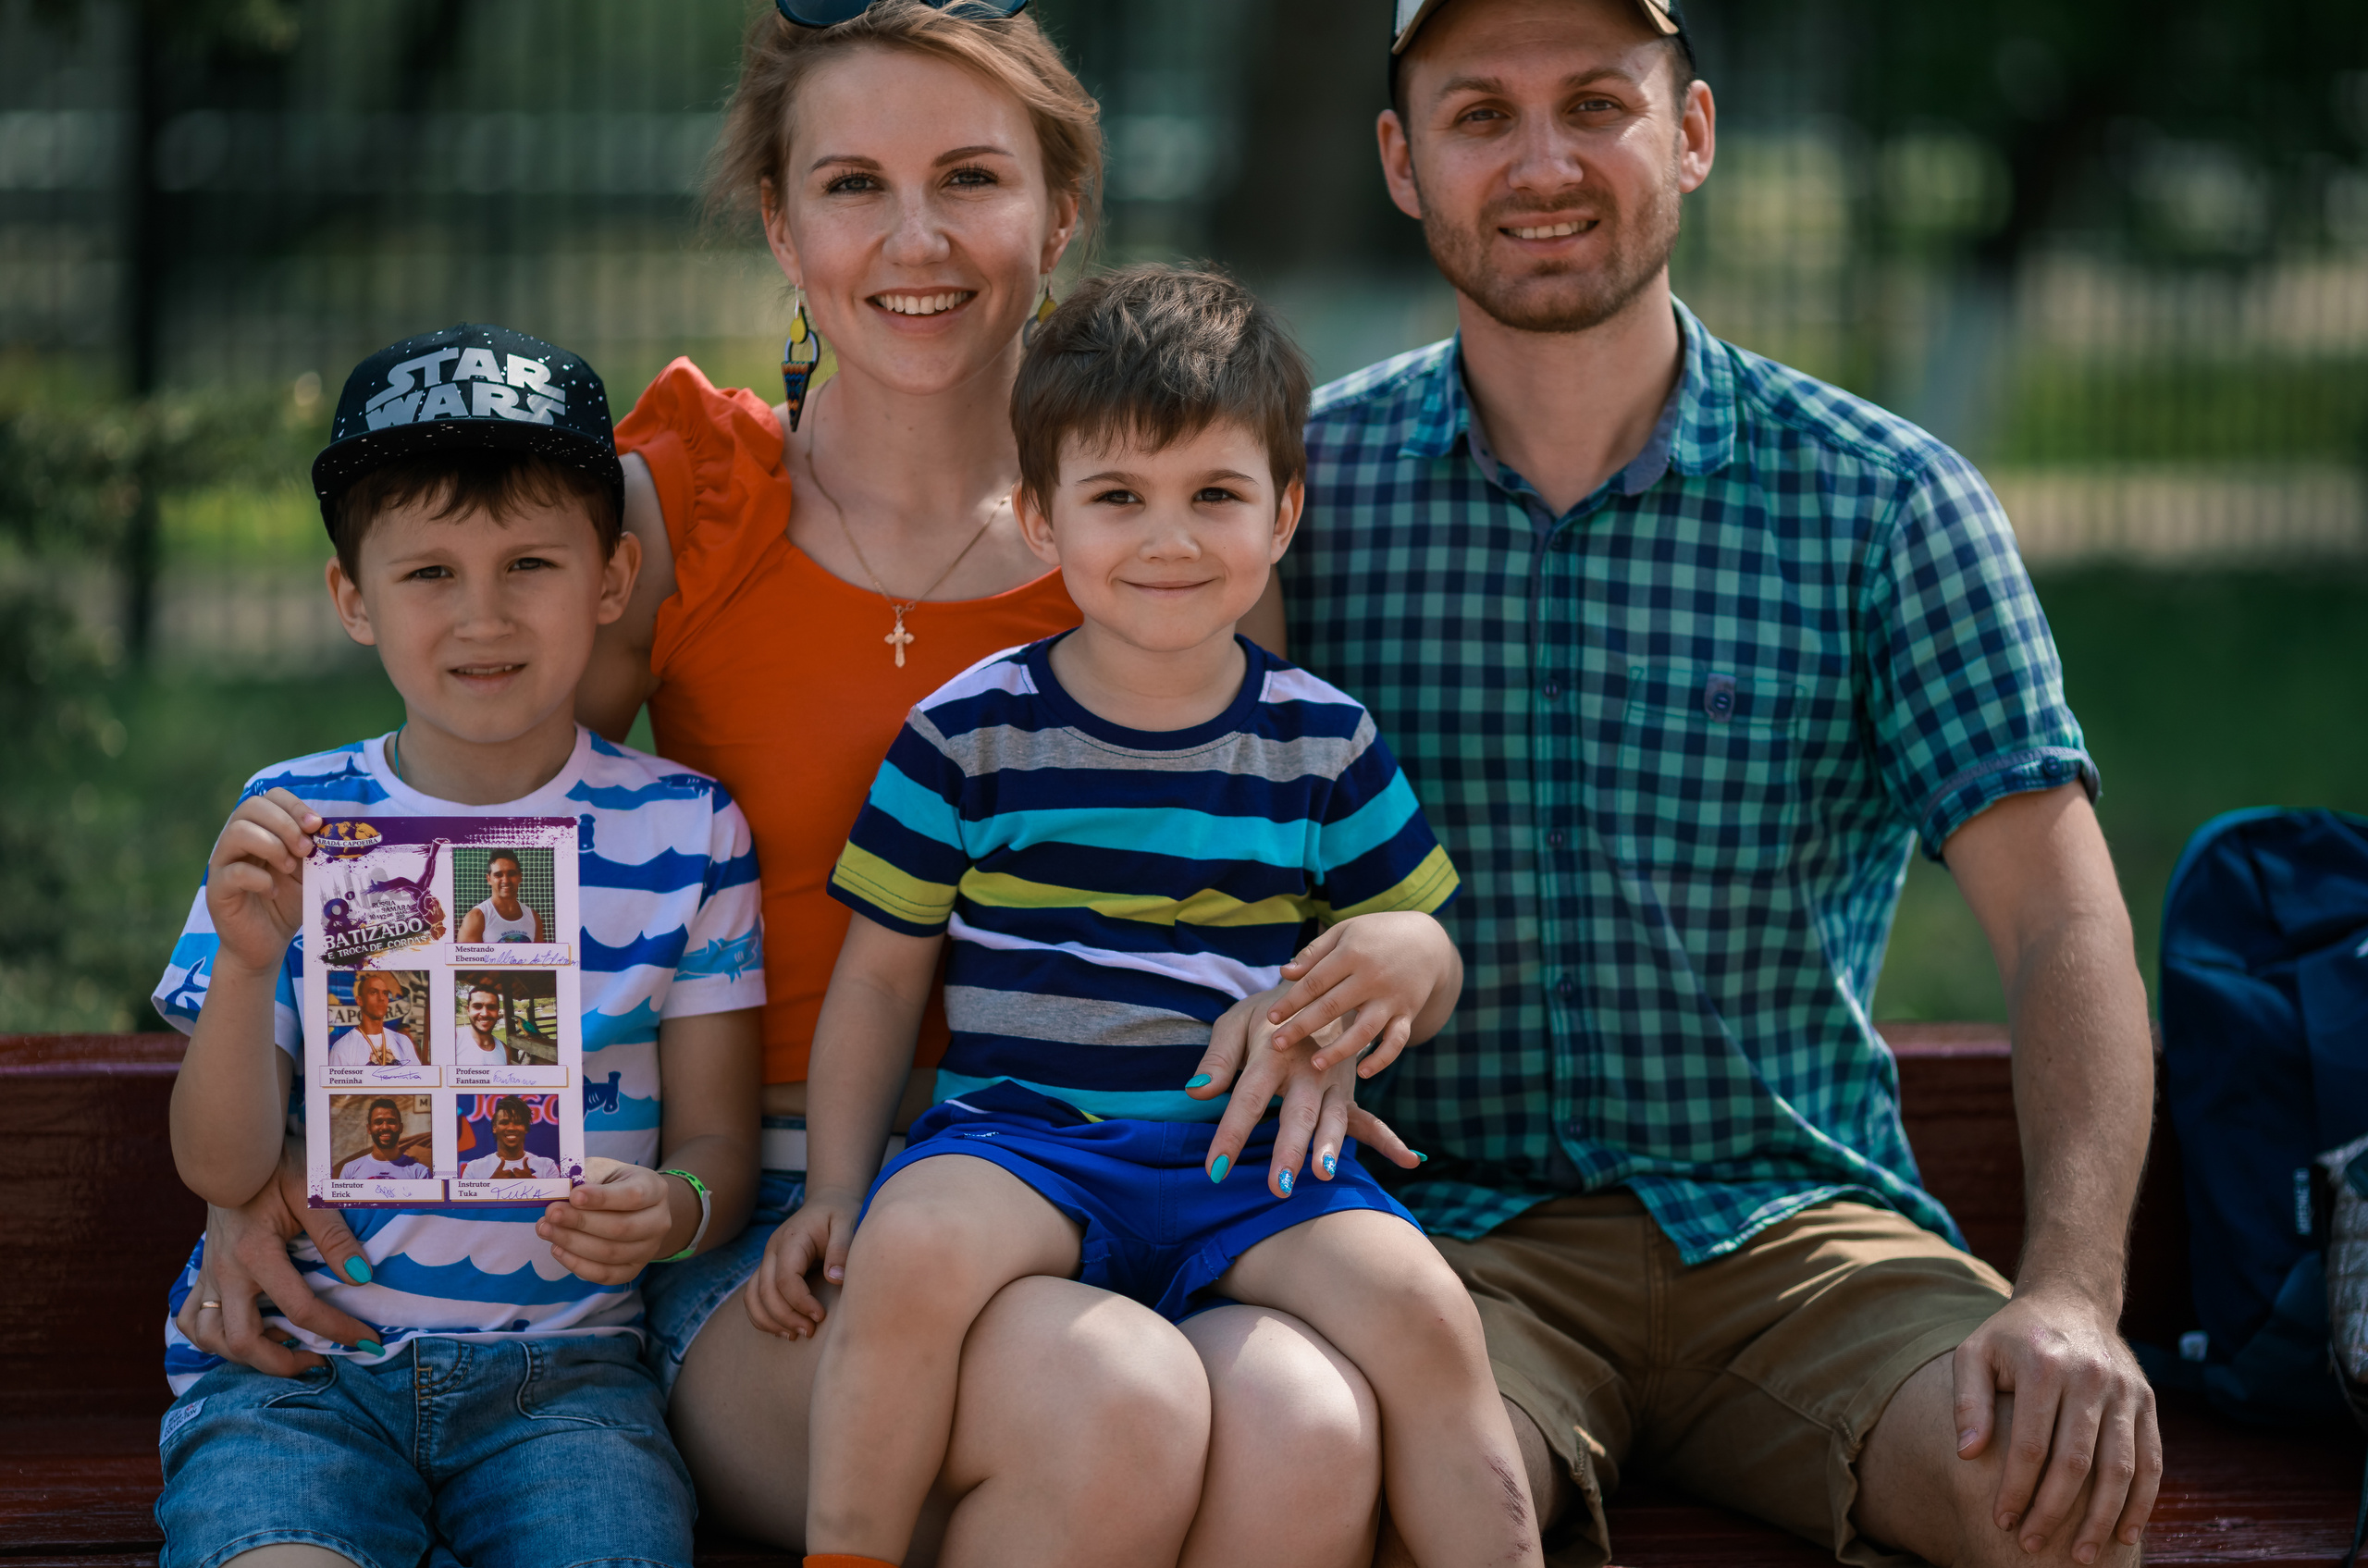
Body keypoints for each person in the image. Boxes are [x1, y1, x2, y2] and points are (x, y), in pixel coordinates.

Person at [1253, 3, 2165, 1566]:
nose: (1544, 163)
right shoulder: (1291, 503)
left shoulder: (1882, 501)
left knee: (2054, 1501)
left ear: (1691, 135)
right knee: (1325, 1486)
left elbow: (2060, 923)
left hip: (1803, 1239)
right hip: (1441, 1249)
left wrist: (2073, 1293)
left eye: (1597, 103)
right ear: (1404, 164)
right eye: (1482, 115)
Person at [771, 264, 1538, 1568]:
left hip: (1249, 1158)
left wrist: (1415, 950)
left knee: (1422, 1303)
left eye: (1216, 495)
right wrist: (838, 1188)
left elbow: (1418, 939)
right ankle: (848, 1553)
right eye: (1119, 497)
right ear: (1039, 516)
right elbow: (882, 984)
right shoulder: (969, 730)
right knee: (910, 1246)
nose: (1169, 538)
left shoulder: (1321, 737)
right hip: (1026, 1141)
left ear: (1283, 512)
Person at [152, 321, 765, 1568]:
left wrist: (673, 1208)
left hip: (569, 1389)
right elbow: (217, 1161)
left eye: (529, 561)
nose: (482, 613)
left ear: (612, 575)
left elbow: (719, 1151)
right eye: (429, 571)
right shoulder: (297, 822)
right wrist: (254, 962)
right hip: (295, 1377)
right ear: (352, 598)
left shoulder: (687, 828)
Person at [324, 970, 423, 1066]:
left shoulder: (403, 1042)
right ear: (360, 1000)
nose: (381, 998)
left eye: (385, 993)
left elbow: (417, 1081)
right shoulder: (343, 1048)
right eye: (373, 992)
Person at [460, 1096, 564, 1180]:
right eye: (504, 1122)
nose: (511, 1128)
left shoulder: (547, 1167)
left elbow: (554, 1204)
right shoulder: (473, 1169)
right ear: (494, 1128)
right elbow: (468, 1206)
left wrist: (532, 1185)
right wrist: (491, 1185)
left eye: (518, 1123)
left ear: (526, 1128)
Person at [457, 849, 547, 943]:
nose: (506, 880)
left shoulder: (533, 918)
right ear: (489, 879)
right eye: (498, 875)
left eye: (511, 874)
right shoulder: (476, 917)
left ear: (520, 876)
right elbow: (465, 957)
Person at [339, 1097, 431, 1179]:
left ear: (401, 1128)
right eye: (378, 1122)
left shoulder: (420, 1173)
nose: (385, 1127)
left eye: (391, 1121)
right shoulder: (350, 1170)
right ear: (369, 1128)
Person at [455, 978, 518, 1065]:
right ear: (468, 1010)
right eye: (477, 1006)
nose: (484, 1014)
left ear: (497, 1011)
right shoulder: (454, 1039)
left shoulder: (505, 1051)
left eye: (491, 1007)